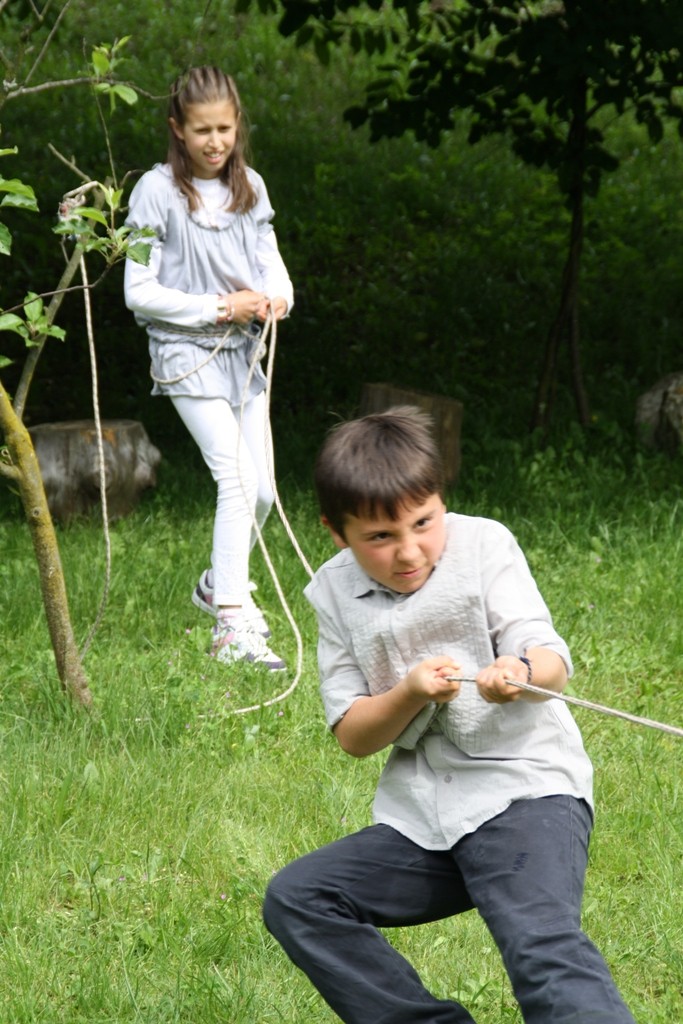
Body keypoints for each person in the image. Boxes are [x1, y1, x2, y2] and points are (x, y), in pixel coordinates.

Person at [263, 407, 636, 1023]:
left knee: (539, 945)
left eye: (423, 522)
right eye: (379, 537)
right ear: (337, 532)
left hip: (526, 794)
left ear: (442, 501)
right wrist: (408, 692)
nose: (408, 551)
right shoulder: (331, 592)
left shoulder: (485, 545)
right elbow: (354, 734)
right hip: (425, 819)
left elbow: (550, 659)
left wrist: (518, 670)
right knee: (300, 898)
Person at [124, 66, 293, 671]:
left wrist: (277, 298)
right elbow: (137, 291)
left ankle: (212, 582)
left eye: (224, 128)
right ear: (178, 129)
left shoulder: (250, 186)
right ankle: (230, 624)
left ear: (237, 125)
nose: (215, 142)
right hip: (185, 353)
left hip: (244, 355)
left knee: (266, 494)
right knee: (237, 480)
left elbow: (271, 264)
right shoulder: (155, 191)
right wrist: (220, 306)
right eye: (202, 131)